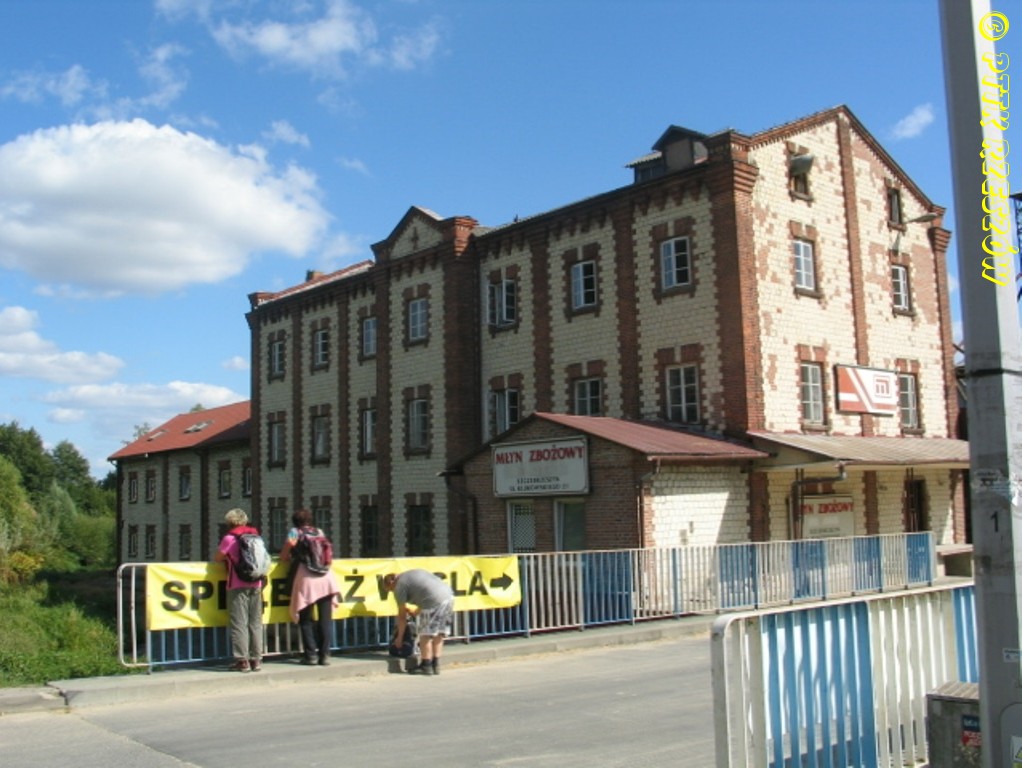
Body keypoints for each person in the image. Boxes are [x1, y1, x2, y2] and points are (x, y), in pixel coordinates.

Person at [280, 509, 340, 666]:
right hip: (326, 577)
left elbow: (287, 550)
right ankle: (325, 655)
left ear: (294, 521)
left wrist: (285, 556)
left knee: (306, 619)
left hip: (306, 577)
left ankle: (311, 655)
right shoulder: (319, 532)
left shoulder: (295, 532)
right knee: (325, 619)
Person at [214, 508, 265, 672]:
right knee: (255, 622)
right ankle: (256, 660)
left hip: (237, 584)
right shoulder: (255, 536)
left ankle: (242, 660)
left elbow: (218, 557)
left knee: (239, 623)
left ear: (229, 523)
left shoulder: (229, 538)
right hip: (256, 583)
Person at [382, 569, 455, 676]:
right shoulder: (409, 576)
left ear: (391, 583)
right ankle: (436, 664)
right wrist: (416, 612)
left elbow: (402, 617)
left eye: (390, 590)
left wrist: (399, 638)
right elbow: (425, 592)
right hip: (448, 597)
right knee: (439, 633)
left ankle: (426, 665)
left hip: (432, 601)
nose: (393, 592)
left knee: (425, 634)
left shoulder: (399, 586)